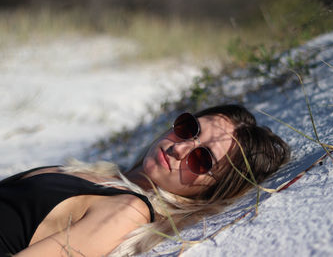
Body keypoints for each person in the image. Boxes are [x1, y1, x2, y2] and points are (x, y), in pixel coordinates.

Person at [0, 104, 290, 257]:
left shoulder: (128, 210)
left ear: (210, 191)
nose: (179, 148)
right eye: (188, 129)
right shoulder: (108, 175)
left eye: (202, 160)